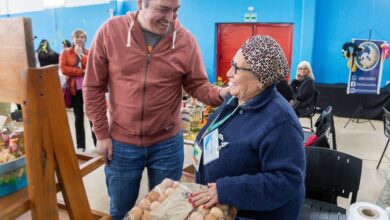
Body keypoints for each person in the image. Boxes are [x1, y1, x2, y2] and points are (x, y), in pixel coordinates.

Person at [82, 0, 229, 219]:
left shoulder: (185, 41)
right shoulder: (111, 32)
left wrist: (221, 94)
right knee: (121, 210)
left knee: (166, 210)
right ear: (141, 3)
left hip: (167, 145)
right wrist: (101, 133)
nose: (170, 18)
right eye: (163, 9)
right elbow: (92, 86)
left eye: (176, 10)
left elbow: (197, 84)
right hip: (121, 143)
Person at [189, 36, 306, 220]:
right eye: (231, 64)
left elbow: (287, 181)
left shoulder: (280, 122)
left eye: (236, 68)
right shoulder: (236, 99)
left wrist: (226, 190)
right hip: (217, 207)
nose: (228, 72)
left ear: (260, 78)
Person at [59, 29, 97, 152]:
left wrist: (81, 55)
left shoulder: (89, 52)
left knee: (92, 116)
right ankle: (81, 146)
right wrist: (81, 71)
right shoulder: (65, 53)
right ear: (72, 39)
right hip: (75, 90)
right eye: (77, 36)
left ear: (85, 39)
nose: (80, 39)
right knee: (78, 117)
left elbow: (92, 67)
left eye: (82, 37)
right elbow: (64, 69)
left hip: (89, 89)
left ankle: (97, 143)